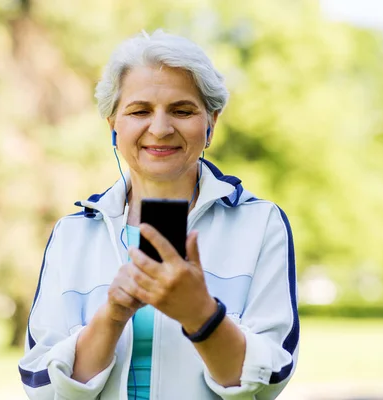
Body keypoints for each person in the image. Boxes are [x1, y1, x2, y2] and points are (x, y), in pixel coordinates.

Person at [18, 30, 299, 400]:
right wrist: (113, 314)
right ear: (113, 125)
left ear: (211, 122)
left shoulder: (260, 224)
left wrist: (200, 314)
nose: (161, 128)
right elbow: (43, 388)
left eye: (182, 111)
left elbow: (268, 382)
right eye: (140, 111)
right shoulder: (72, 234)